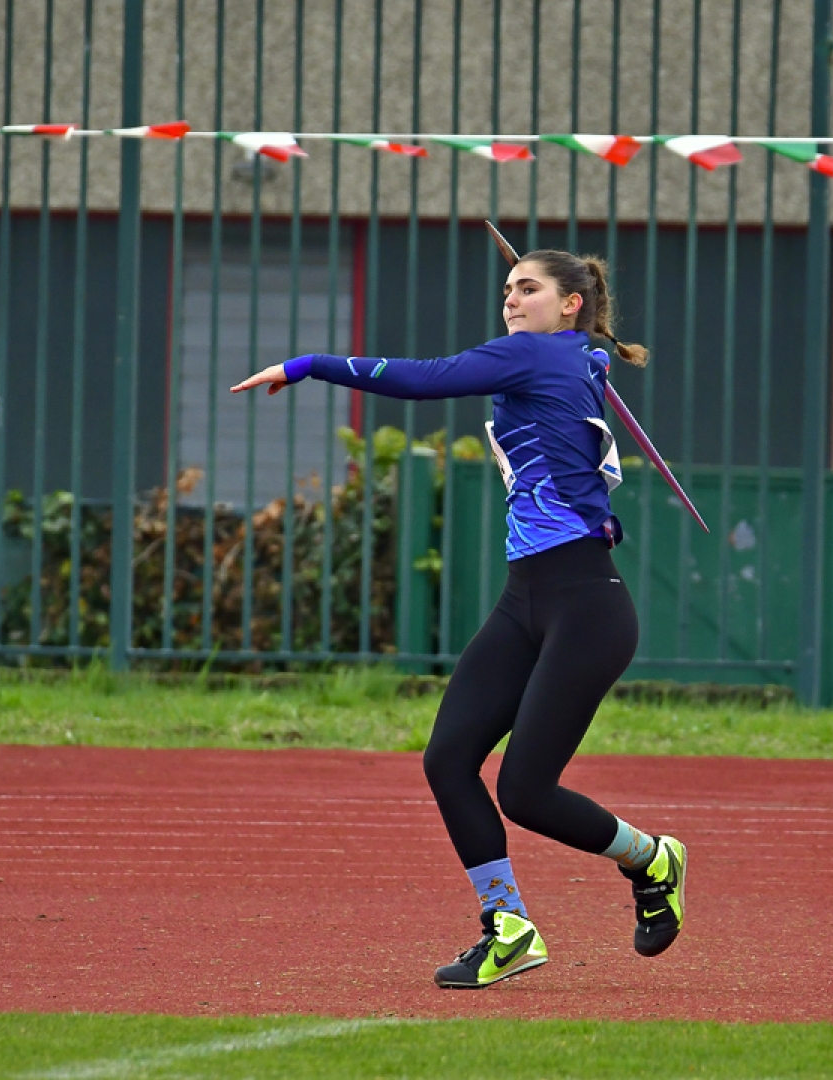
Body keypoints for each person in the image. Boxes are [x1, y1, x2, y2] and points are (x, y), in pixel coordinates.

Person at [232, 248, 687, 989]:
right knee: (448, 759)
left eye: (528, 288)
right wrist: (588, 354)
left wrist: (312, 362)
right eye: (507, 288)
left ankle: (652, 859)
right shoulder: (572, 360)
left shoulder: (536, 359)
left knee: (526, 793)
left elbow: (425, 380)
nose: (510, 299)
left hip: (586, 606)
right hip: (525, 600)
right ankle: (507, 927)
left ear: (571, 303)